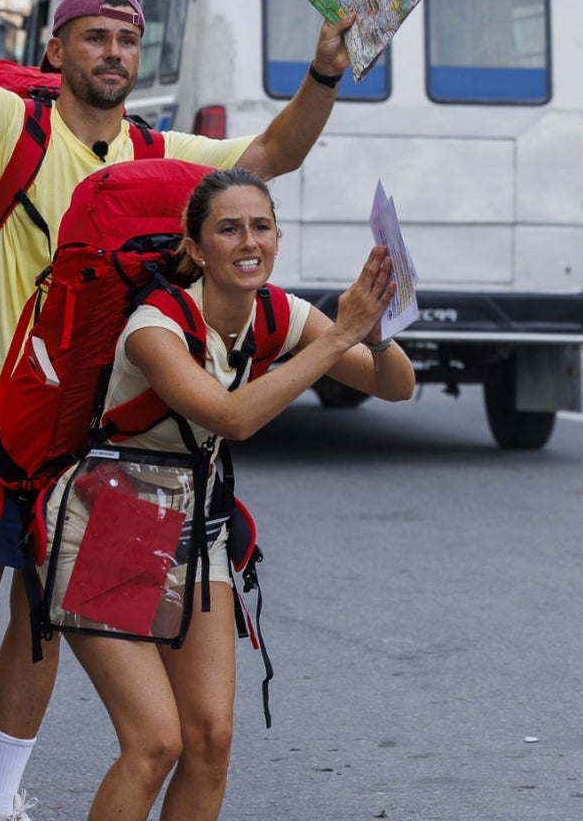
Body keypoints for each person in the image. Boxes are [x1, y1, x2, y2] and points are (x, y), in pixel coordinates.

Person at [0, 0, 358, 821]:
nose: (112, 55)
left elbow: (272, 154)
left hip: (97, 437)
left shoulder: (159, 154)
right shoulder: (6, 133)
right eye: (94, 38)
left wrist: (324, 76)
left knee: (43, 621)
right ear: (57, 52)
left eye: (126, 41)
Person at [65, 168, 414, 821]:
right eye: (228, 228)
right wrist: (340, 333)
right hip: (114, 524)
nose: (248, 240)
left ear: (278, 236)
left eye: (261, 226)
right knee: (153, 743)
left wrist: (375, 331)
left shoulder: (276, 312)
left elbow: (396, 387)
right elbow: (233, 418)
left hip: (199, 532)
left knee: (211, 742)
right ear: (195, 247)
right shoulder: (155, 326)